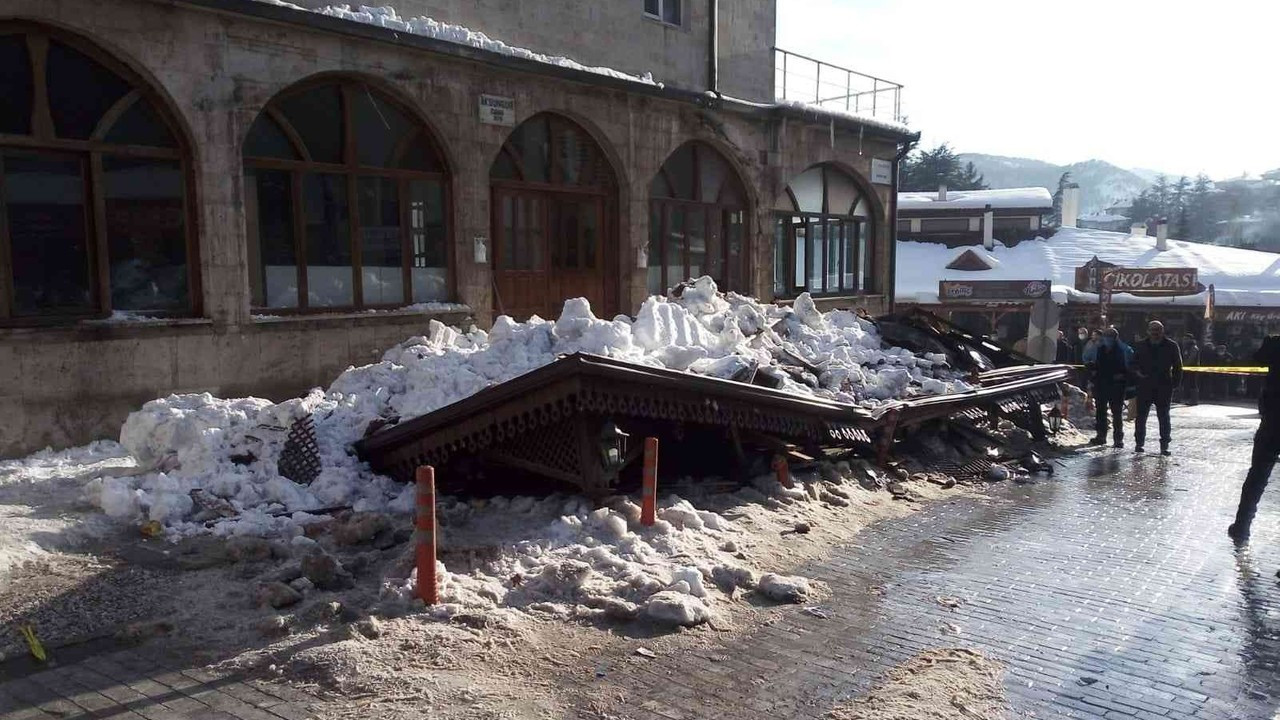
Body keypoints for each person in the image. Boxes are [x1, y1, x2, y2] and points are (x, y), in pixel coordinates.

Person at [1227, 334, 1280, 544]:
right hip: (1273, 416)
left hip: (1274, 417)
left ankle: (1242, 525)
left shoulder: (1275, 343)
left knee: (1258, 473)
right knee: (1257, 473)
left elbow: (1256, 358)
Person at [1132, 320, 1183, 455]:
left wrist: (1175, 384)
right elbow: (1133, 363)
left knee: (1164, 416)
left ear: (1162, 331)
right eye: (1153, 330)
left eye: (1158, 330)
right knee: (1141, 416)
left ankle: (1164, 445)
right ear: (1148, 331)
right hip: (1145, 385)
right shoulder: (1141, 345)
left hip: (1164, 385)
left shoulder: (1171, 346)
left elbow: (1178, 366)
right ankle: (1139, 443)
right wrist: (1137, 375)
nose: (1155, 333)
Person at [1086, 327, 1132, 448]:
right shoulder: (1100, 349)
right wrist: (1092, 368)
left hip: (1117, 385)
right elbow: (1098, 365)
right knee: (1101, 411)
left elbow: (1129, 368)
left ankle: (1118, 439)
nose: (1107, 340)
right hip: (1102, 384)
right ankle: (1101, 435)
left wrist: (1123, 378)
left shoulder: (1123, 350)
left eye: (1109, 337)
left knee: (1116, 412)